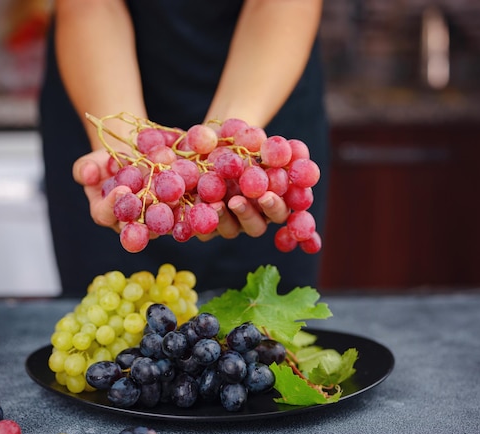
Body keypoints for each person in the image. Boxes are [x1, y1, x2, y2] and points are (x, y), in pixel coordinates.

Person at [38, 0, 330, 297]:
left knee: (270, 318)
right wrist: (121, 143)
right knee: (112, 307)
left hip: (265, 81)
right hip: (102, 80)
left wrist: (234, 136)